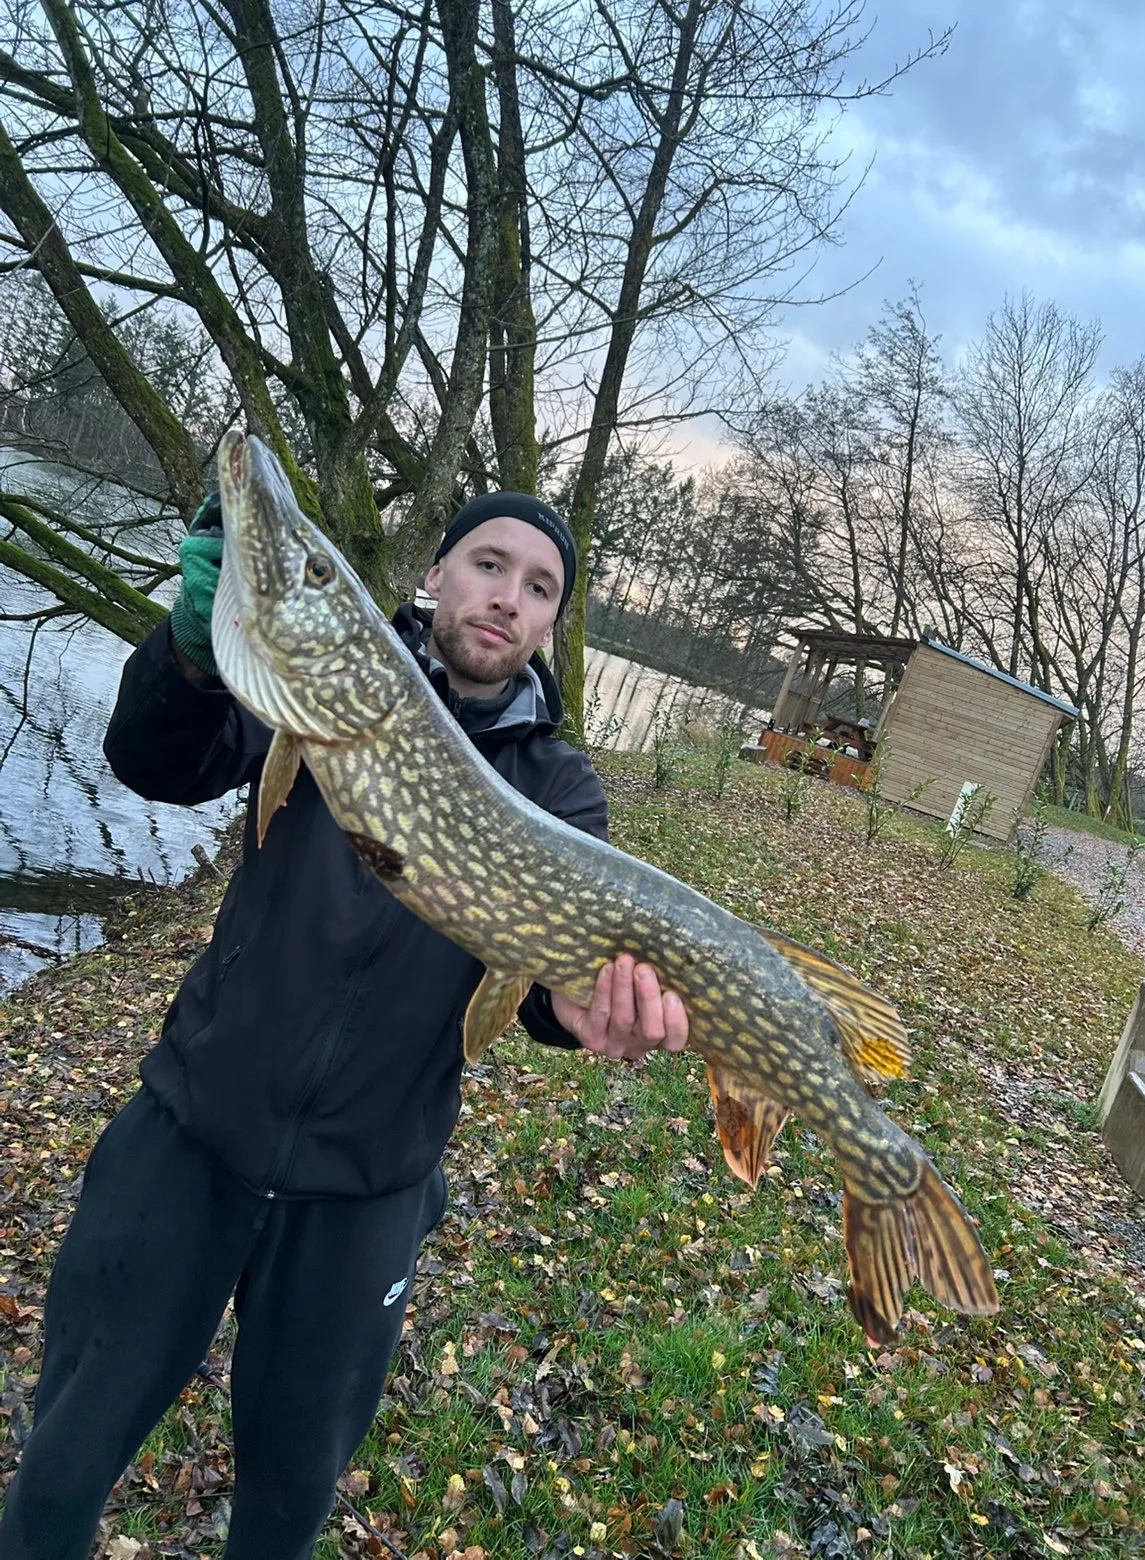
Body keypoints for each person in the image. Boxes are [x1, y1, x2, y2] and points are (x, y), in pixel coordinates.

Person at [0, 488, 688, 1560]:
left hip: (366, 1191)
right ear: (433, 577)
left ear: (553, 624)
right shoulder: (313, 694)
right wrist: (188, 654)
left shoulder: (560, 787)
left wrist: (587, 1007)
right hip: (186, 1141)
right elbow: (156, 761)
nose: (507, 598)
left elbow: (554, 991)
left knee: (284, 1513)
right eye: (487, 565)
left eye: (539, 586)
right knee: (57, 1475)